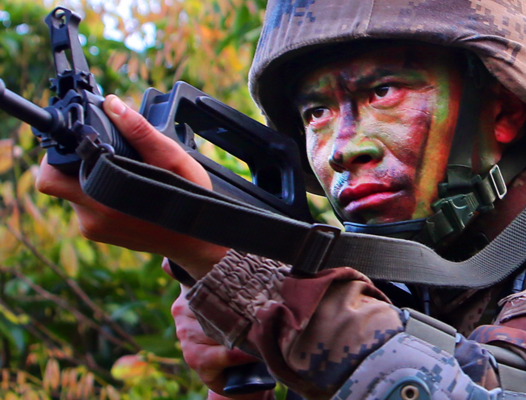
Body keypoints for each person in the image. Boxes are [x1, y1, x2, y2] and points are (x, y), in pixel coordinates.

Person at [36, 0, 526, 399]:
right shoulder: (388, 285)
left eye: (383, 92)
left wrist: (226, 264)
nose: (342, 148)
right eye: (317, 112)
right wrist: (250, 375)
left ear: (504, 111)